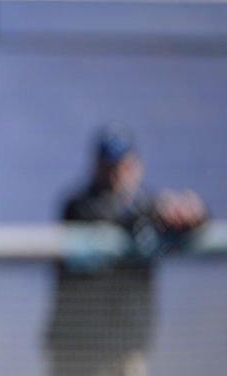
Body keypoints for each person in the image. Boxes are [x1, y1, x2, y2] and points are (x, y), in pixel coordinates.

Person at [50, 122, 209, 376]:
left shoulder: (147, 204)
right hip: (78, 346)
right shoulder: (78, 204)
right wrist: (155, 212)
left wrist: (193, 212)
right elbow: (111, 219)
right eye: (108, 165)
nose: (116, 173)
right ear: (96, 165)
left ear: (136, 165)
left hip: (126, 345)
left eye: (122, 165)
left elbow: (182, 215)